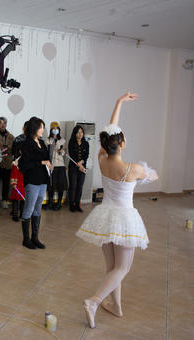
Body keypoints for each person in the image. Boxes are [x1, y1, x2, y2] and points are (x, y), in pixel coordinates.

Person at [75, 92, 158, 329]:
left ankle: (116, 306)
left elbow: (112, 128)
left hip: (105, 216)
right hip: (124, 219)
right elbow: (154, 175)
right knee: (123, 268)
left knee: (112, 268)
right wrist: (150, 173)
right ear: (121, 143)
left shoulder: (101, 158)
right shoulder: (133, 169)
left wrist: (119, 102)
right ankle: (94, 301)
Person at [19, 117, 52, 249]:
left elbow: (45, 159)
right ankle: (26, 239)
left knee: (38, 208)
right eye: (41, 127)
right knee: (29, 208)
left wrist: (49, 164)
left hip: (43, 179)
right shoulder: (26, 143)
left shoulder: (42, 143)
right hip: (32, 180)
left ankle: (35, 237)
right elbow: (26, 164)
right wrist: (42, 162)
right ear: (34, 128)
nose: (43, 130)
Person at [46, 122, 68, 210]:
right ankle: (50, 202)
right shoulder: (48, 140)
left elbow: (63, 153)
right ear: (51, 130)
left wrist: (61, 150)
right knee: (51, 185)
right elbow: (46, 152)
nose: (55, 130)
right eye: (53, 128)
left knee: (60, 185)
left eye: (57, 128)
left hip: (61, 165)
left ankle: (59, 203)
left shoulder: (62, 140)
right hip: (51, 165)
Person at [68, 125, 89, 212]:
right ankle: (71, 205)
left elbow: (86, 155)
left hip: (83, 167)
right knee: (73, 186)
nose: (80, 134)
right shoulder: (71, 143)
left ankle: (77, 204)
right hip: (73, 167)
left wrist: (82, 163)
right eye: (78, 132)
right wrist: (78, 164)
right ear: (75, 133)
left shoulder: (86, 143)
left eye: (81, 132)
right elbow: (72, 155)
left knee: (80, 187)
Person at [0, 117, 14, 209]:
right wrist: (4, 148)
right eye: (1, 123)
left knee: (6, 183)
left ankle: (4, 200)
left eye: (4, 123)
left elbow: (12, 148)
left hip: (7, 163)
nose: (3, 125)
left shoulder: (11, 136)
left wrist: (5, 148)